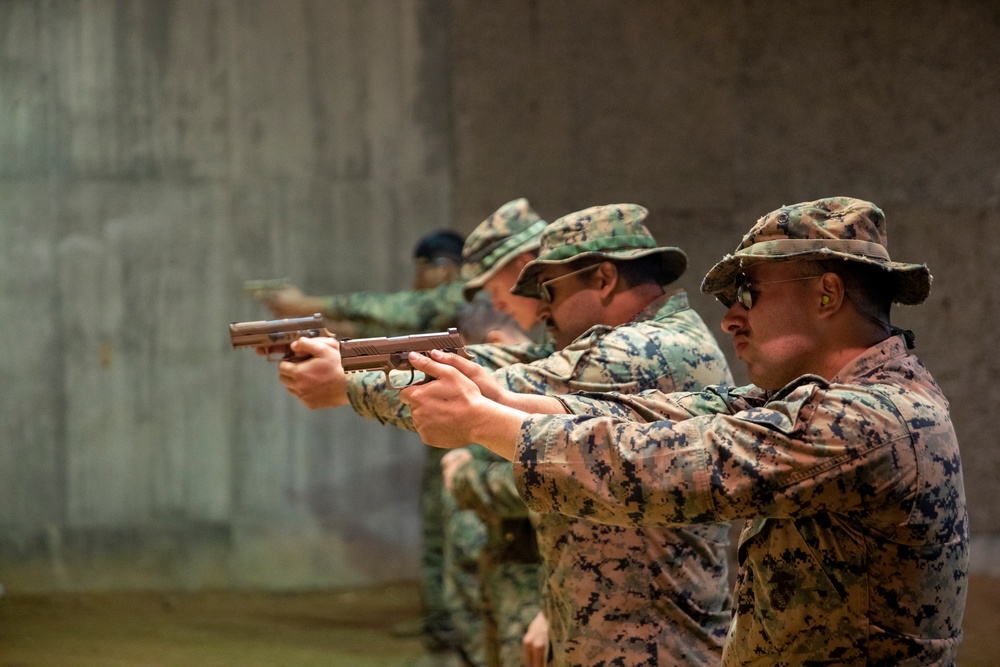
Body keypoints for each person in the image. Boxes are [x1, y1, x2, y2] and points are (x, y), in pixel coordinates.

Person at [399, 196, 970, 665]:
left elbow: (656, 466)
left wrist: (481, 420)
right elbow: (673, 415)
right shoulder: (828, 399)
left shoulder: (874, 421)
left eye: (751, 292)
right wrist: (507, 399)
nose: (731, 318)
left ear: (827, 294)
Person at [279, 204, 736, 666]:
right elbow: (504, 364)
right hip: (622, 623)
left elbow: (497, 388)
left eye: (549, 289)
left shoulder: (644, 349)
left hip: (651, 637)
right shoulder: (633, 341)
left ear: (603, 279)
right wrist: (354, 358)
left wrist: (345, 383)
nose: (540, 307)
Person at [443, 302, 543, 667]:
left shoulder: (532, 392)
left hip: (533, 577)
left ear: (495, 343)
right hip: (505, 566)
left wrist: (464, 477)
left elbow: (538, 480)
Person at [259, 229, 468, 338]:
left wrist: (304, 304)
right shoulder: (450, 312)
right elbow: (400, 338)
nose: (417, 280)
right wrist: (325, 325)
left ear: (444, 268)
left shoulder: (463, 295)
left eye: (422, 270)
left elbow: (389, 309)